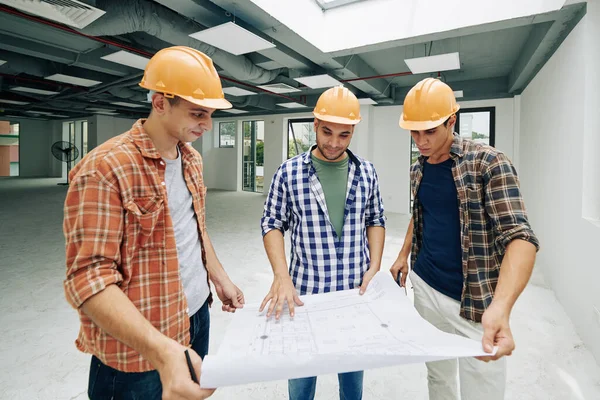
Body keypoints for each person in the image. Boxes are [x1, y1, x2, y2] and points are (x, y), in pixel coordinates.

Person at [63, 46, 245, 400]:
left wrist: (219, 278)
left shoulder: (190, 160)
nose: (207, 125)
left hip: (196, 316)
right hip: (138, 346)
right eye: (197, 114)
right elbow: (88, 280)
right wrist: (163, 351)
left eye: (209, 115)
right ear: (161, 103)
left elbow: (194, 227)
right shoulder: (105, 168)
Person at [390, 77, 539, 400]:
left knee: (481, 390)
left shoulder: (488, 163)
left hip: (473, 302)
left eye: (430, 131)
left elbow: (520, 237)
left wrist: (501, 307)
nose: (421, 141)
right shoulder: (419, 168)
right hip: (426, 287)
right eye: (415, 132)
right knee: (438, 376)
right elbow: (421, 214)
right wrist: (403, 255)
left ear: (452, 121)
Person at [260, 85, 386, 400]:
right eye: (327, 132)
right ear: (315, 124)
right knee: (301, 381)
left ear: (353, 131)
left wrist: (375, 266)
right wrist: (281, 275)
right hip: (304, 295)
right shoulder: (288, 173)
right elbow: (272, 223)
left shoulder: (366, 172)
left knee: (352, 381)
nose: (333, 142)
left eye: (344, 135)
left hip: (353, 292)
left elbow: (376, 219)